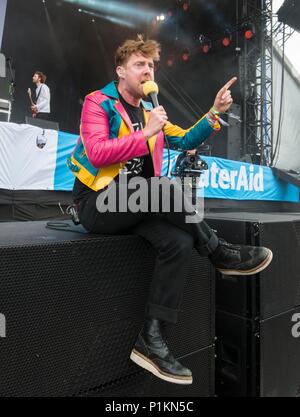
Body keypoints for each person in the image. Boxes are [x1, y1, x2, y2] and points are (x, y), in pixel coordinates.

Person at [67, 35, 272, 385]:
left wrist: (214, 114)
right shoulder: (98, 102)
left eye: (151, 65)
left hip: (137, 204)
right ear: (121, 71)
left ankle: (151, 338)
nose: (147, 71)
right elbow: (98, 152)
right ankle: (219, 252)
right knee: (164, 188)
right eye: (139, 64)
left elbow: (187, 138)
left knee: (177, 242)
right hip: (98, 202)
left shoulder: (151, 112)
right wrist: (144, 133)